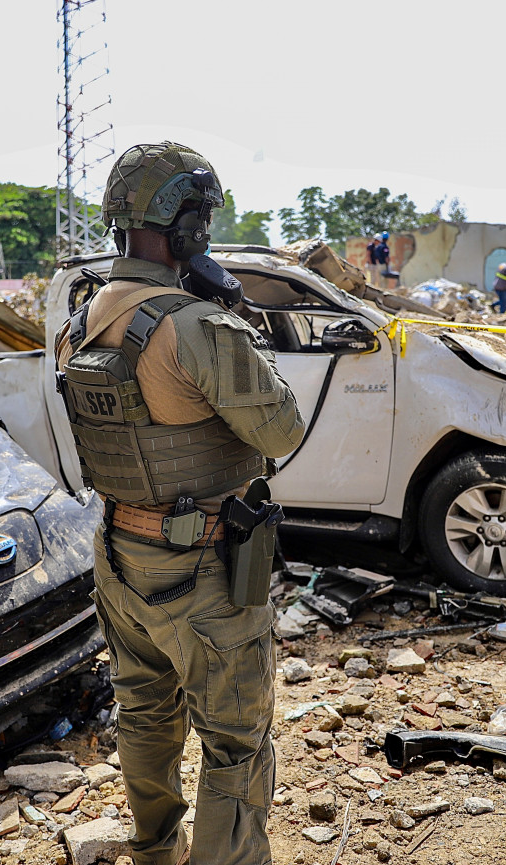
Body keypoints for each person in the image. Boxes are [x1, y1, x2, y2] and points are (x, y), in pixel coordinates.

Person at [56, 141, 305, 865]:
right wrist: (233, 314)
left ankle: (156, 852)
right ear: (189, 226)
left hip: (119, 555)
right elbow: (282, 430)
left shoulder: (82, 319)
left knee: (145, 714)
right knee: (235, 741)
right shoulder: (197, 326)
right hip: (201, 567)